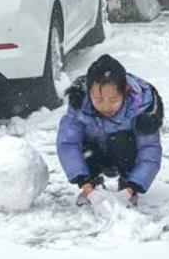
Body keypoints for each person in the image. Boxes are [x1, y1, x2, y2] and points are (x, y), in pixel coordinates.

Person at [57, 54, 163, 208]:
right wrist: (85, 184)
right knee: (79, 142)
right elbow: (67, 143)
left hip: (124, 153)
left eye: (113, 100)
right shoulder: (80, 102)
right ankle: (93, 183)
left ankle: (127, 182)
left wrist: (133, 187)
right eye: (98, 99)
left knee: (123, 140)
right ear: (88, 91)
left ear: (125, 91)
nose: (106, 106)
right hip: (95, 154)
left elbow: (149, 149)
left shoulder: (142, 106)